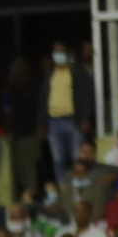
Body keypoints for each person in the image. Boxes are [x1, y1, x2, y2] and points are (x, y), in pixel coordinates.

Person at [40, 41, 94, 181]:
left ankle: (80, 188)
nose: (59, 55)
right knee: (58, 161)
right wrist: (42, 124)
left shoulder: (78, 72)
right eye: (56, 52)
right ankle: (64, 189)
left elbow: (87, 96)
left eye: (61, 52)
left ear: (67, 54)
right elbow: (43, 100)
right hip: (54, 124)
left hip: (73, 122)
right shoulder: (50, 75)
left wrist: (85, 118)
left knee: (77, 159)